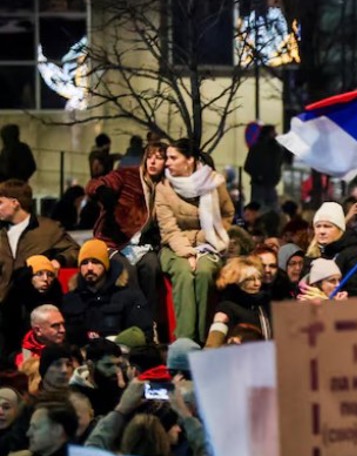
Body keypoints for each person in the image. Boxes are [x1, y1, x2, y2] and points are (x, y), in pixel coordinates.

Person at [154, 139, 234, 340]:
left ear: (189, 160)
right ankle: (185, 339)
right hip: (174, 246)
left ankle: (204, 338)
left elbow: (227, 214)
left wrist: (204, 241)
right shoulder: (163, 188)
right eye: (167, 158)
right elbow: (169, 230)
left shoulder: (214, 182)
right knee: (183, 273)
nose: (167, 163)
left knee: (204, 272)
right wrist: (188, 253)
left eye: (173, 158)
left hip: (211, 244)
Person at [85, 139, 167, 324]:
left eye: (159, 158)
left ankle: (152, 325)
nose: (153, 162)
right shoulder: (128, 175)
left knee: (152, 267)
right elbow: (95, 184)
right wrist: (102, 191)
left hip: (141, 246)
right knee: (126, 271)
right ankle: (134, 323)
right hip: (113, 242)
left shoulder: (164, 187)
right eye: (150, 157)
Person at [0, 179, 80, 306]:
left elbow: (74, 250)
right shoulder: (2, 231)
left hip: (35, 304)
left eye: (0, 202)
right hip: (4, 306)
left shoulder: (48, 229)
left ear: (14, 203)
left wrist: (59, 260)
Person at [60, 239, 152, 345]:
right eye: (84, 263)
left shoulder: (129, 297)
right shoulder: (70, 300)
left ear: (105, 265)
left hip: (120, 355)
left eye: (95, 262)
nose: (89, 268)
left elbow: (143, 334)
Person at [309, 201, 357, 298]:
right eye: (318, 226)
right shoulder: (315, 253)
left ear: (340, 229)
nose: (321, 231)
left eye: (327, 226)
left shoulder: (356, 255)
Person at [243, 124, 285, 210]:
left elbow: (247, 166)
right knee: (269, 210)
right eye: (273, 132)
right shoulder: (276, 149)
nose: (276, 134)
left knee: (259, 210)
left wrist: (257, 176)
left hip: (262, 185)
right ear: (269, 133)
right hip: (265, 185)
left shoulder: (257, 147)